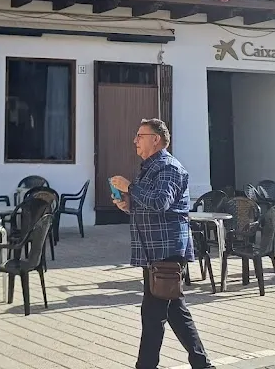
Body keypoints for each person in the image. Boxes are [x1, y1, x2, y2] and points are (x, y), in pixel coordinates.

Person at [111, 118, 214, 369]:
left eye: (140, 136)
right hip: (153, 251)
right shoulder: (149, 168)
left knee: (153, 314)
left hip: (166, 250)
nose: (135, 141)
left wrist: (130, 187)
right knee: (174, 310)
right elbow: (149, 205)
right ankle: (202, 364)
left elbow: (160, 202)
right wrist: (127, 205)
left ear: (155, 139)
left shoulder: (168, 168)